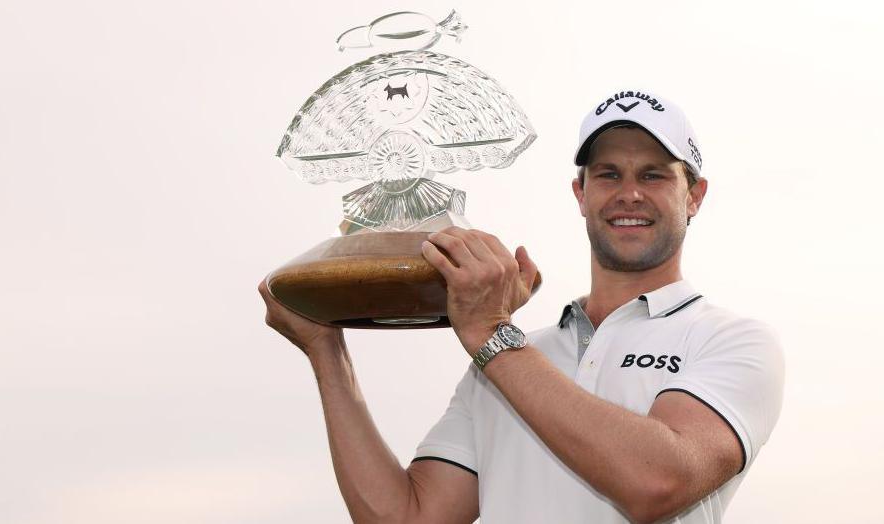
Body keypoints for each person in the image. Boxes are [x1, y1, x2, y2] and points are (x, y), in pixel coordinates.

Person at [258, 87, 785, 523]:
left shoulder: (730, 340)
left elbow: (657, 483)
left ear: (694, 197)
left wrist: (491, 334)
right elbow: (407, 519)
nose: (629, 194)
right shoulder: (506, 363)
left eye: (654, 175)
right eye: (608, 174)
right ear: (579, 193)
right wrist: (327, 354)